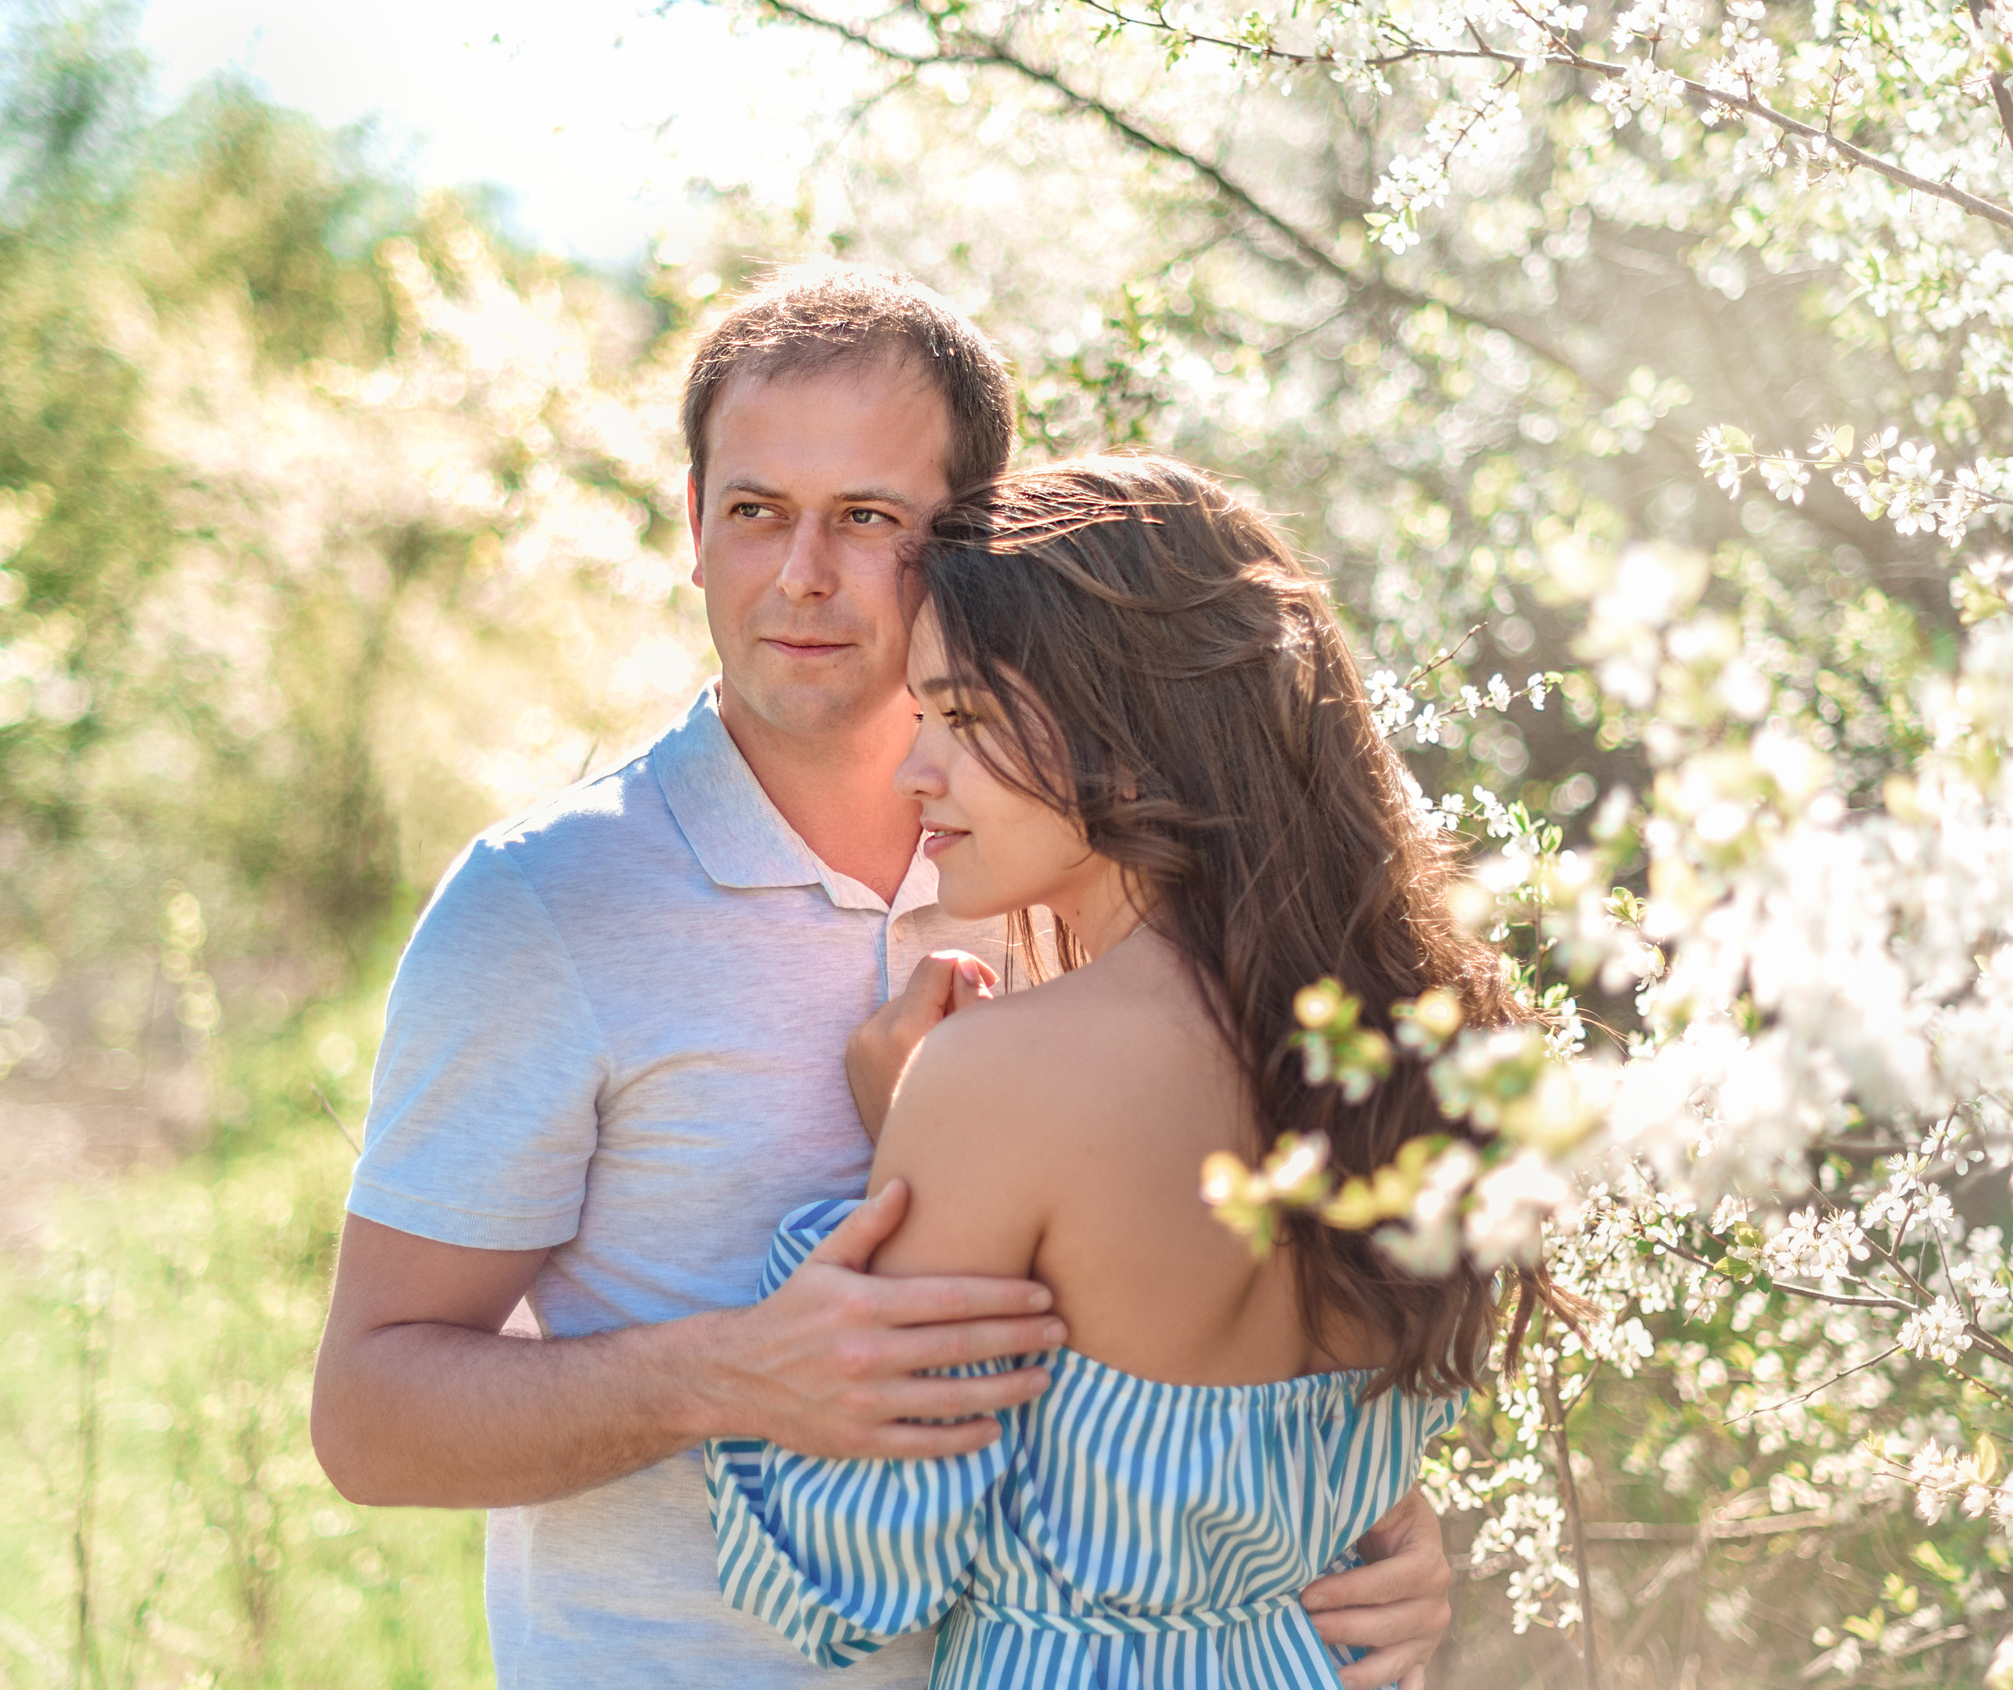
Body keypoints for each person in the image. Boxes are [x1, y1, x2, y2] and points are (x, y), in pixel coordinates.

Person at [309, 269, 1455, 1690]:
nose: (801, 573)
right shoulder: (543, 904)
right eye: (755, 510)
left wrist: (1359, 1531)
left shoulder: (1070, 868)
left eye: (865, 518)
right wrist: (724, 1371)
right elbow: (368, 1420)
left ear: (968, 544)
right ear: (692, 525)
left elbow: (1182, 1364)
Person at [704, 455, 1546, 1686]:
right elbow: (1339, 1492)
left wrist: (890, 1180)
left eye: (965, 718)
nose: (913, 769)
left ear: (1136, 730)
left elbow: (852, 1576)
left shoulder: (998, 1080)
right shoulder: (1421, 1048)